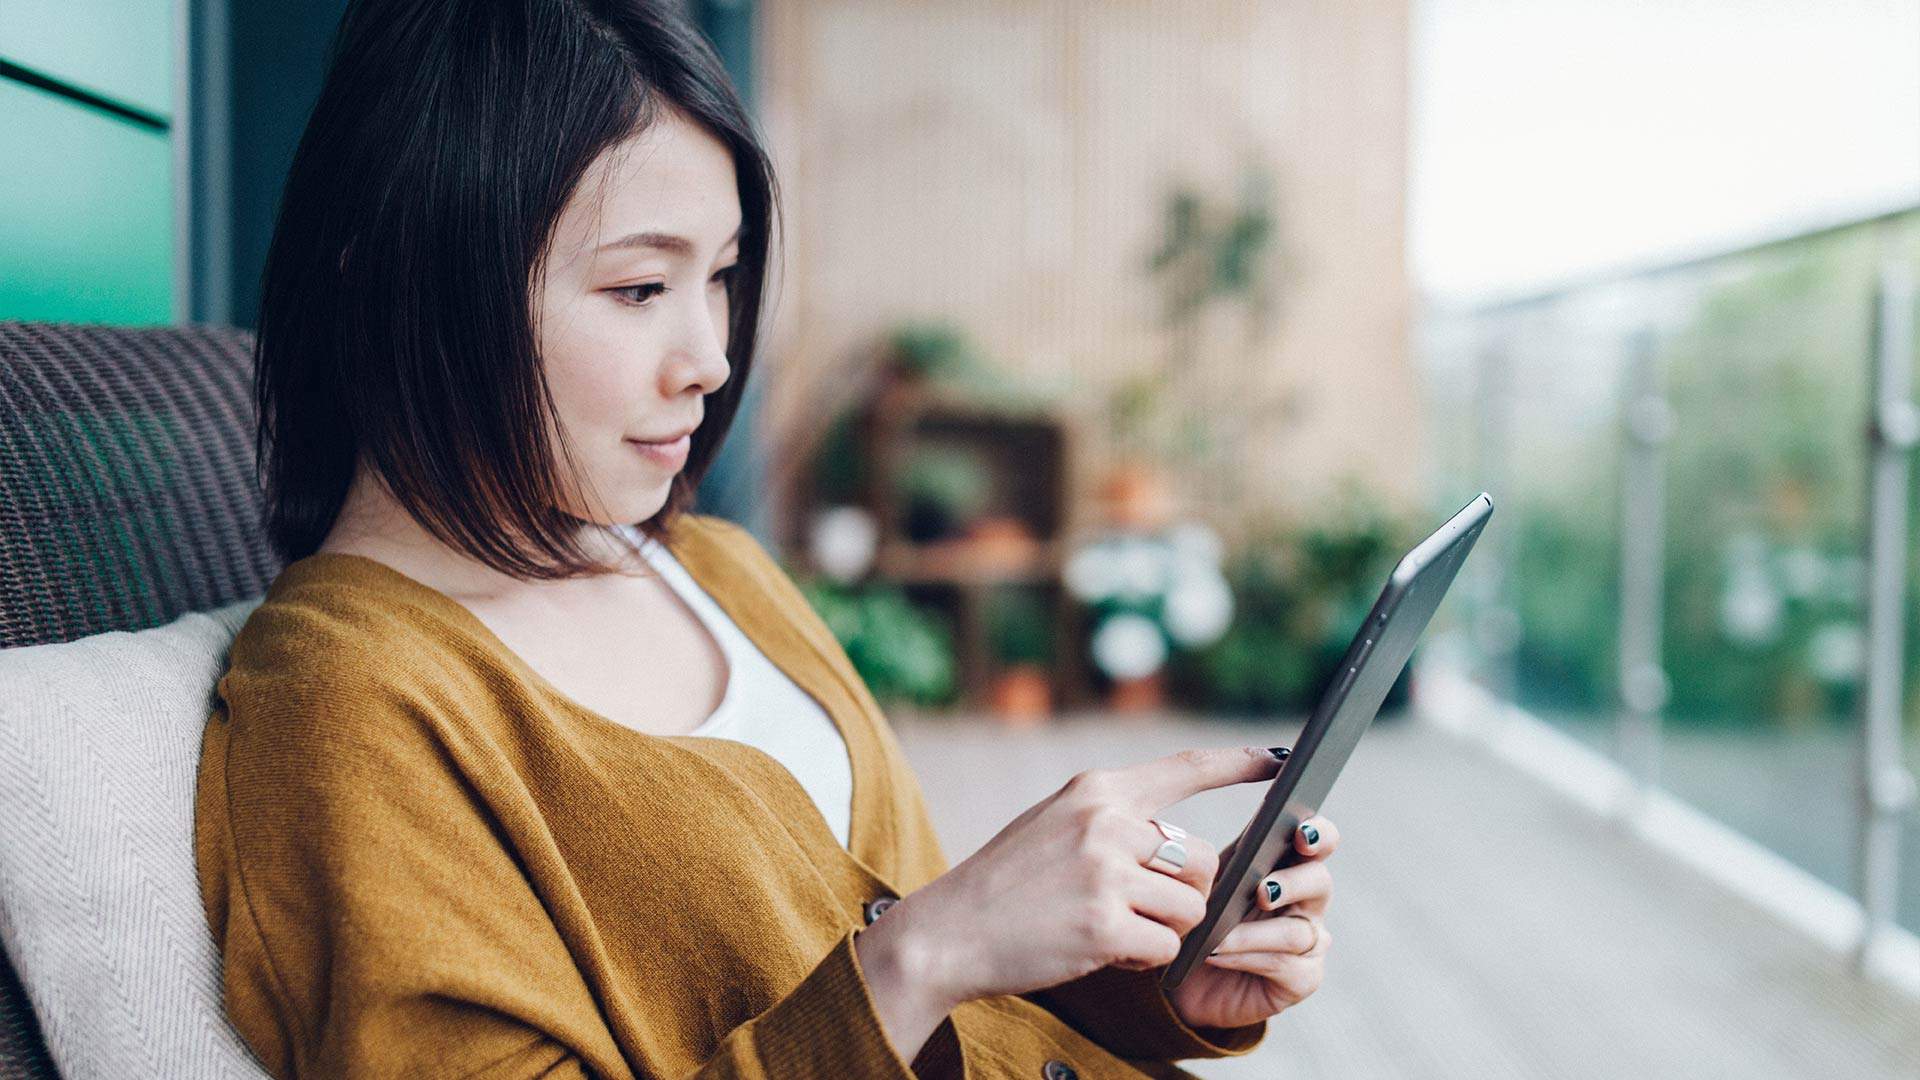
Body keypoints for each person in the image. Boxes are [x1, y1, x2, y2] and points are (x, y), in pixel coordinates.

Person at [192, 1, 1341, 1077]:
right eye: (640, 287)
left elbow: (939, 985)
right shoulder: (347, 703)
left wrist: (1159, 981)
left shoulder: (715, 570)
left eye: (724, 277)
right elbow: (909, 965)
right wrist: (919, 956)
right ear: (398, 284)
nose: (710, 355)